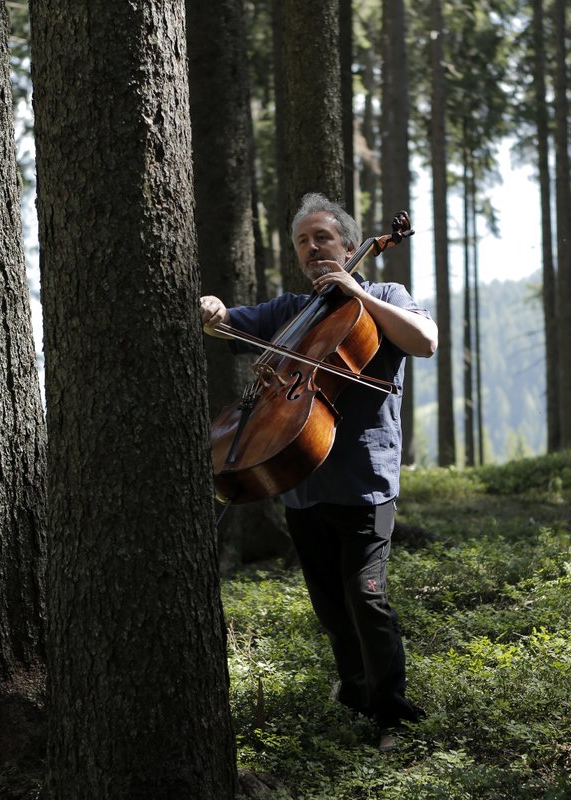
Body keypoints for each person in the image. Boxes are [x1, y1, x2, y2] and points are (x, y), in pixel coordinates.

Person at [200, 193, 437, 749]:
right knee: (330, 604)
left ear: (350, 246)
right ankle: (356, 694)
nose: (311, 249)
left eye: (322, 238)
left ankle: (393, 714)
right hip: (300, 480)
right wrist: (211, 308)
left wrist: (357, 294)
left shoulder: (383, 296)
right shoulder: (289, 312)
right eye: (302, 241)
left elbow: (424, 341)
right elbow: (226, 323)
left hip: (364, 483)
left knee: (366, 597)